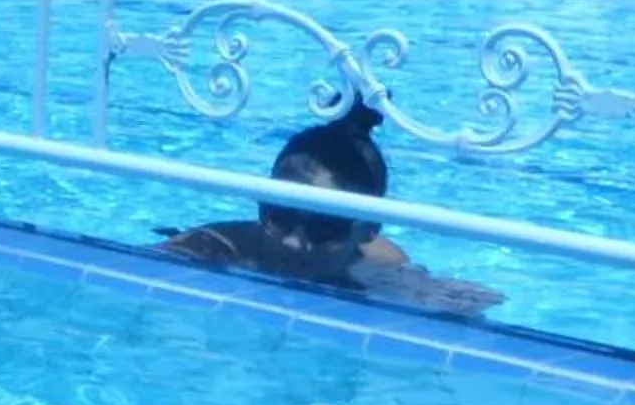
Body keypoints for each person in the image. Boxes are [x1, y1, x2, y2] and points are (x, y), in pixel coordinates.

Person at [163, 102, 503, 316]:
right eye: (280, 215)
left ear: (368, 231)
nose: (296, 243)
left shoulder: (382, 265)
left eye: (325, 229)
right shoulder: (212, 251)